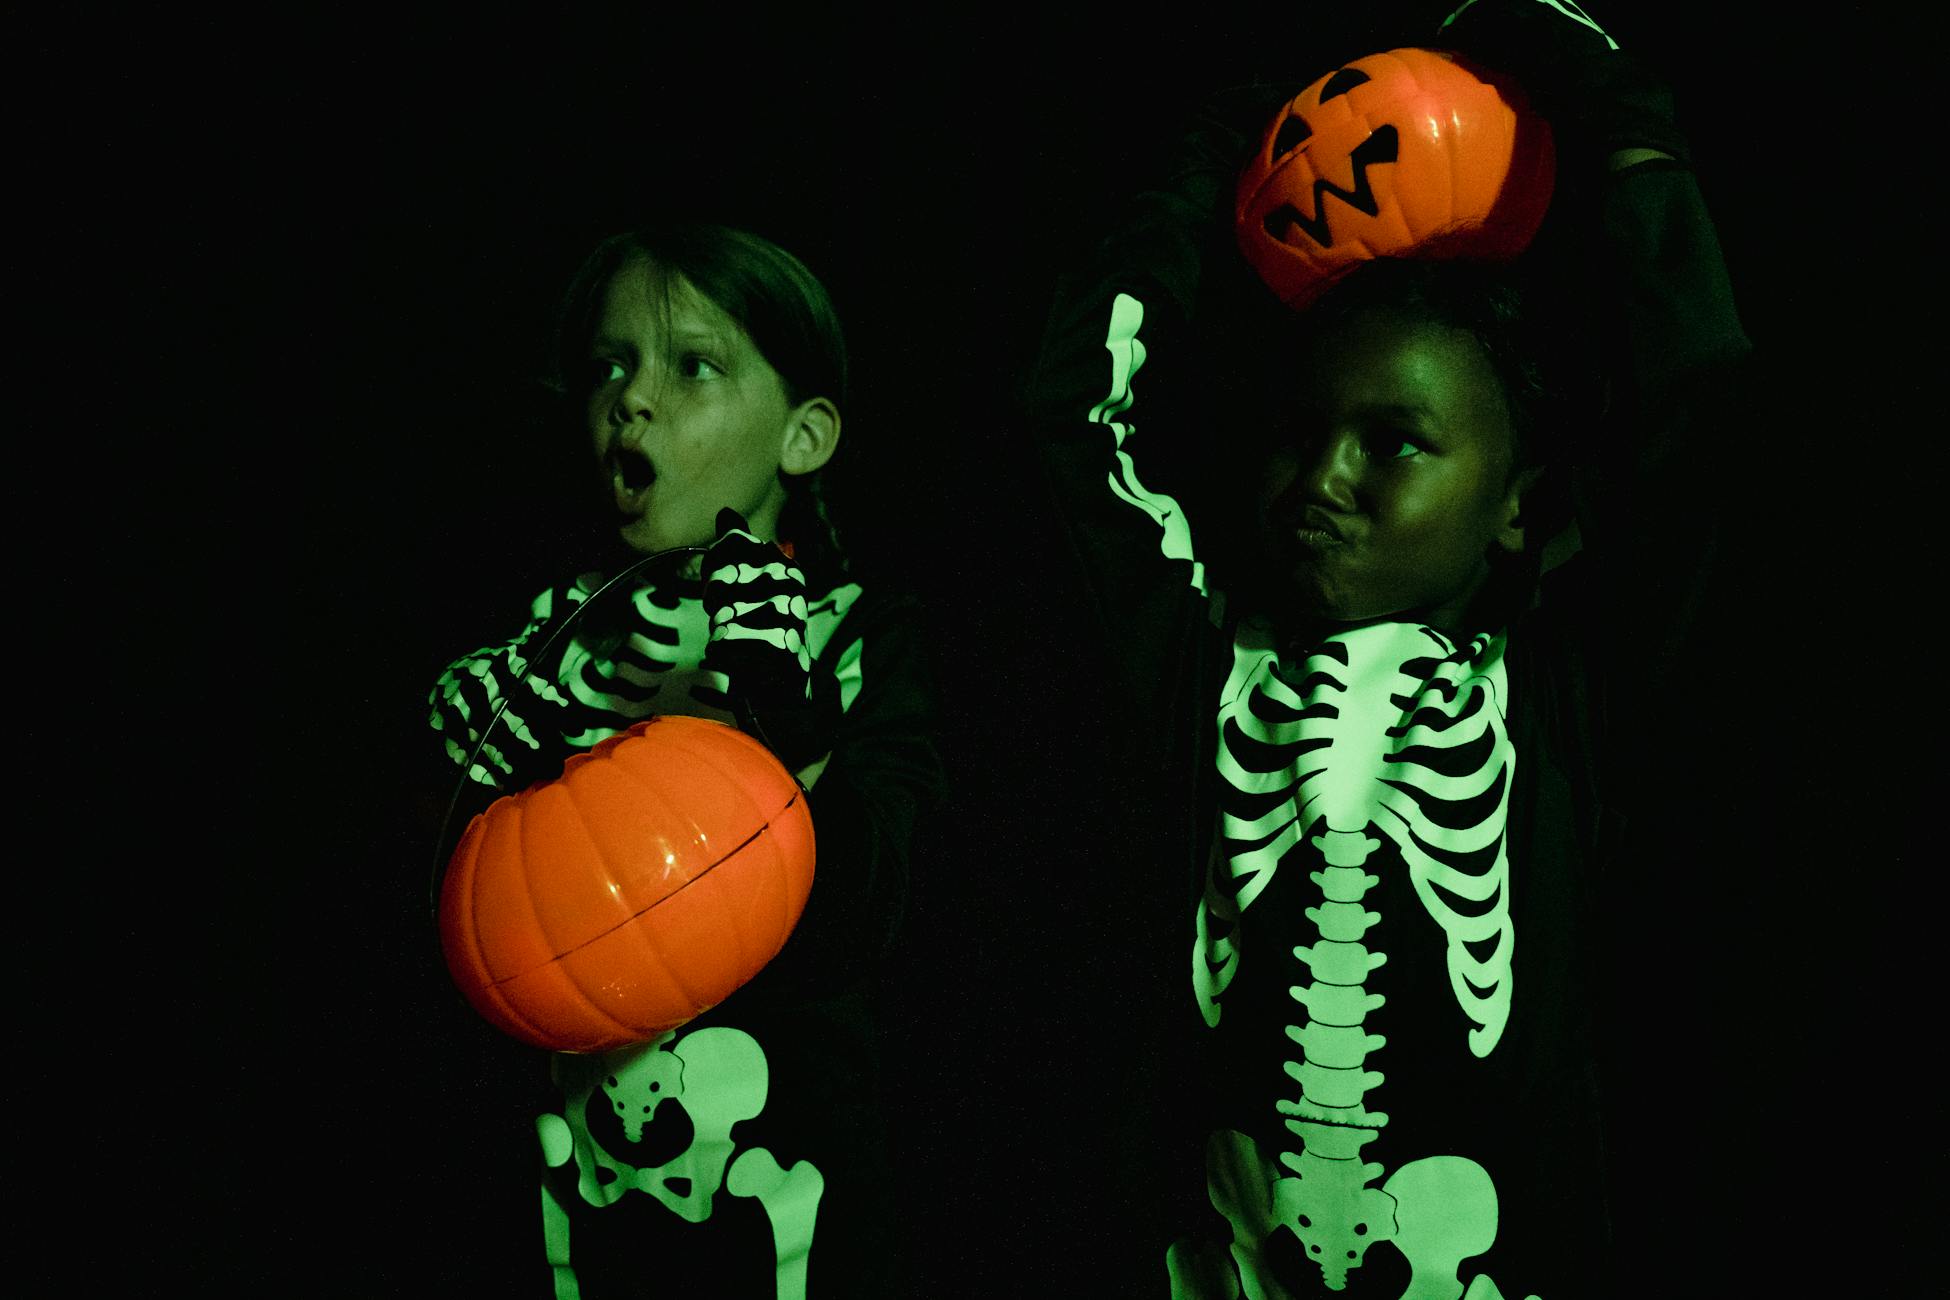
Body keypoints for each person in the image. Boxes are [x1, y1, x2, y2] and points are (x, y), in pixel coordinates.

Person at [1022, 2, 1753, 1294]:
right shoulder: (1206, 659)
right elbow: (1079, 413)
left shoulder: (1555, 697)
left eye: (1395, 443)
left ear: (1517, 501)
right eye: (1297, 432)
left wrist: (1627, 129)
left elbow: (1692, 419)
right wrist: (1238, 149)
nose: (1321, 477)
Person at [426, 221, 943, 1298]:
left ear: (804, 436)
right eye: (609, 366)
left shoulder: (860, 633)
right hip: (571, 1205)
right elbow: (466, 942)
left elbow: (876, 916)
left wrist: (780, 716)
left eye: (693, 365)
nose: (632, 398)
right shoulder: (547, 640)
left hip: (800, 1203)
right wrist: (470, 771)